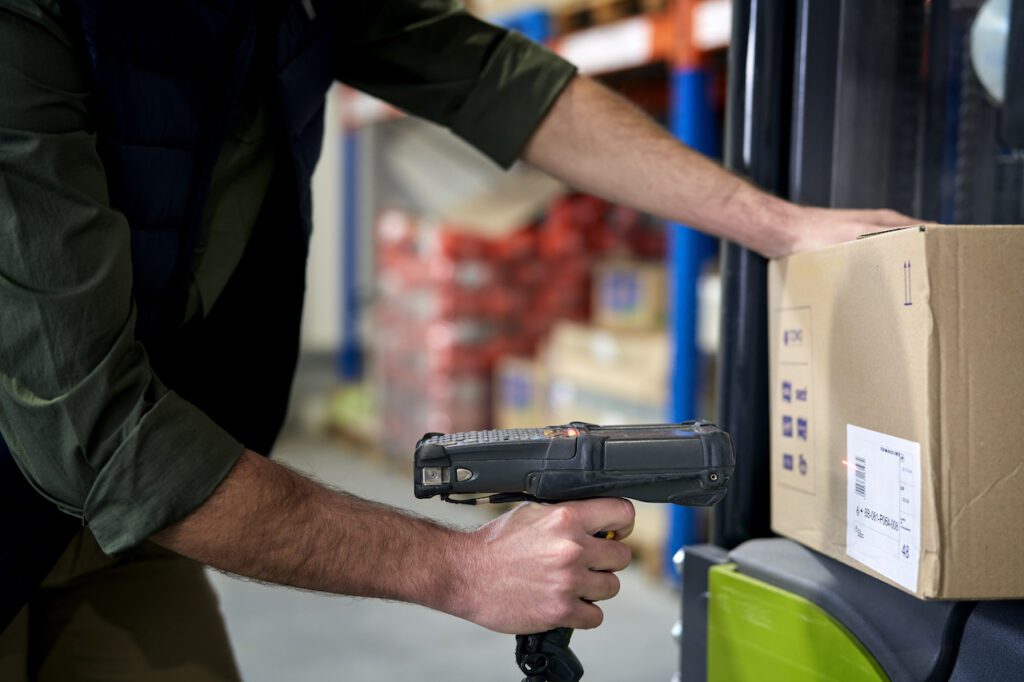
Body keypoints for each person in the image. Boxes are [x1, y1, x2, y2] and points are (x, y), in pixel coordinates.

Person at [0, 0, 913, 679]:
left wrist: (774, 224)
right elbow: (100, 432)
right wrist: (463, 570)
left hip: (133, 529)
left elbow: (487, 75)